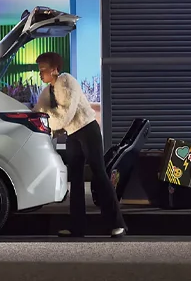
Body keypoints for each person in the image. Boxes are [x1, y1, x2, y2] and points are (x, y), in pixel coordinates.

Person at [34, 52, 127, 238]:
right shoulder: (48, 90)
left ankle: (118, 224)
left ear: (54, 70)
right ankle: (78, 228)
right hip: (73, 134)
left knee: (99, 174)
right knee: (75, 180)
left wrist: (45, 115)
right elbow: (39, 112)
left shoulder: (66, 81)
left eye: (42, 69)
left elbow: (63, 116)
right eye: (39, 70)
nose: (40, 74)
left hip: (87, 130)